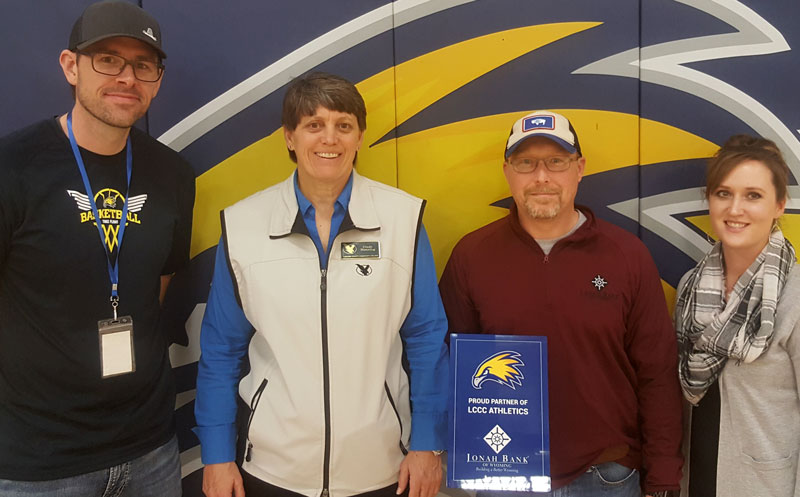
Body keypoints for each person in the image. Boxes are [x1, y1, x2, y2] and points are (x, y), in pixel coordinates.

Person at [194, 72, 448, 497]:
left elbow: (425, 338)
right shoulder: (243, 225)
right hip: (276, 469)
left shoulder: (403, 220)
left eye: (343, 125)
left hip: (382, 465)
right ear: (290, 138)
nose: (329, 138)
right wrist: (217, 456)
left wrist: (427, 443)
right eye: (314, 125)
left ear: (360, 136)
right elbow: (222, 349)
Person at [0, 1, 195, 495]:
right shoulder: (13, 167)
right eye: (107, 59)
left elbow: (159, 282)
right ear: (71, 66)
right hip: (39, 463)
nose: (127, 77)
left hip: (150, 448)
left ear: (156, 79)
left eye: (143, 66)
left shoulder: (172, 174)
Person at [438, 110, 683, 497]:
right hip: (505, 474)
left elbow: (657, 374)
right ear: (507, 171)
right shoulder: (472, 255)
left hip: (606, 474)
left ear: (579, 168)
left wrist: (664, 478)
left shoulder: (626, 255)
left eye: (556, 162)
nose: (541, 177)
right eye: (526, 163)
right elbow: (445, 365)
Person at [675, 135, 799, 497]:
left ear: (780, 205)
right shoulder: (689, 286)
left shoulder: (794, 295)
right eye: (724, 193)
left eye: (753, 196)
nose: (735, 209)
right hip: (695, 481)